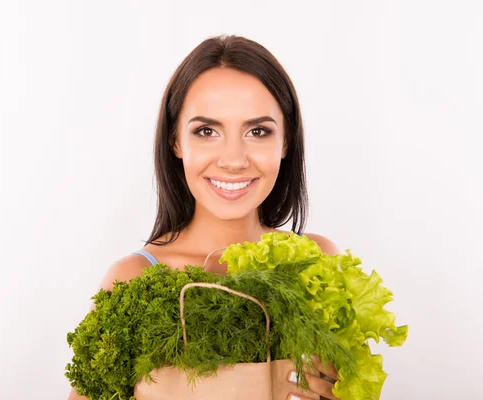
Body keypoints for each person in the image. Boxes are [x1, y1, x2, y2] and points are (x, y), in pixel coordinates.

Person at [68, 34, 343, 400]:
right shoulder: (133, 279)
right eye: (206, 131)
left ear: (287, 140)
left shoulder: (316, 263)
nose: (233, 159)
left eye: (258, 131)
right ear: (176, 141)